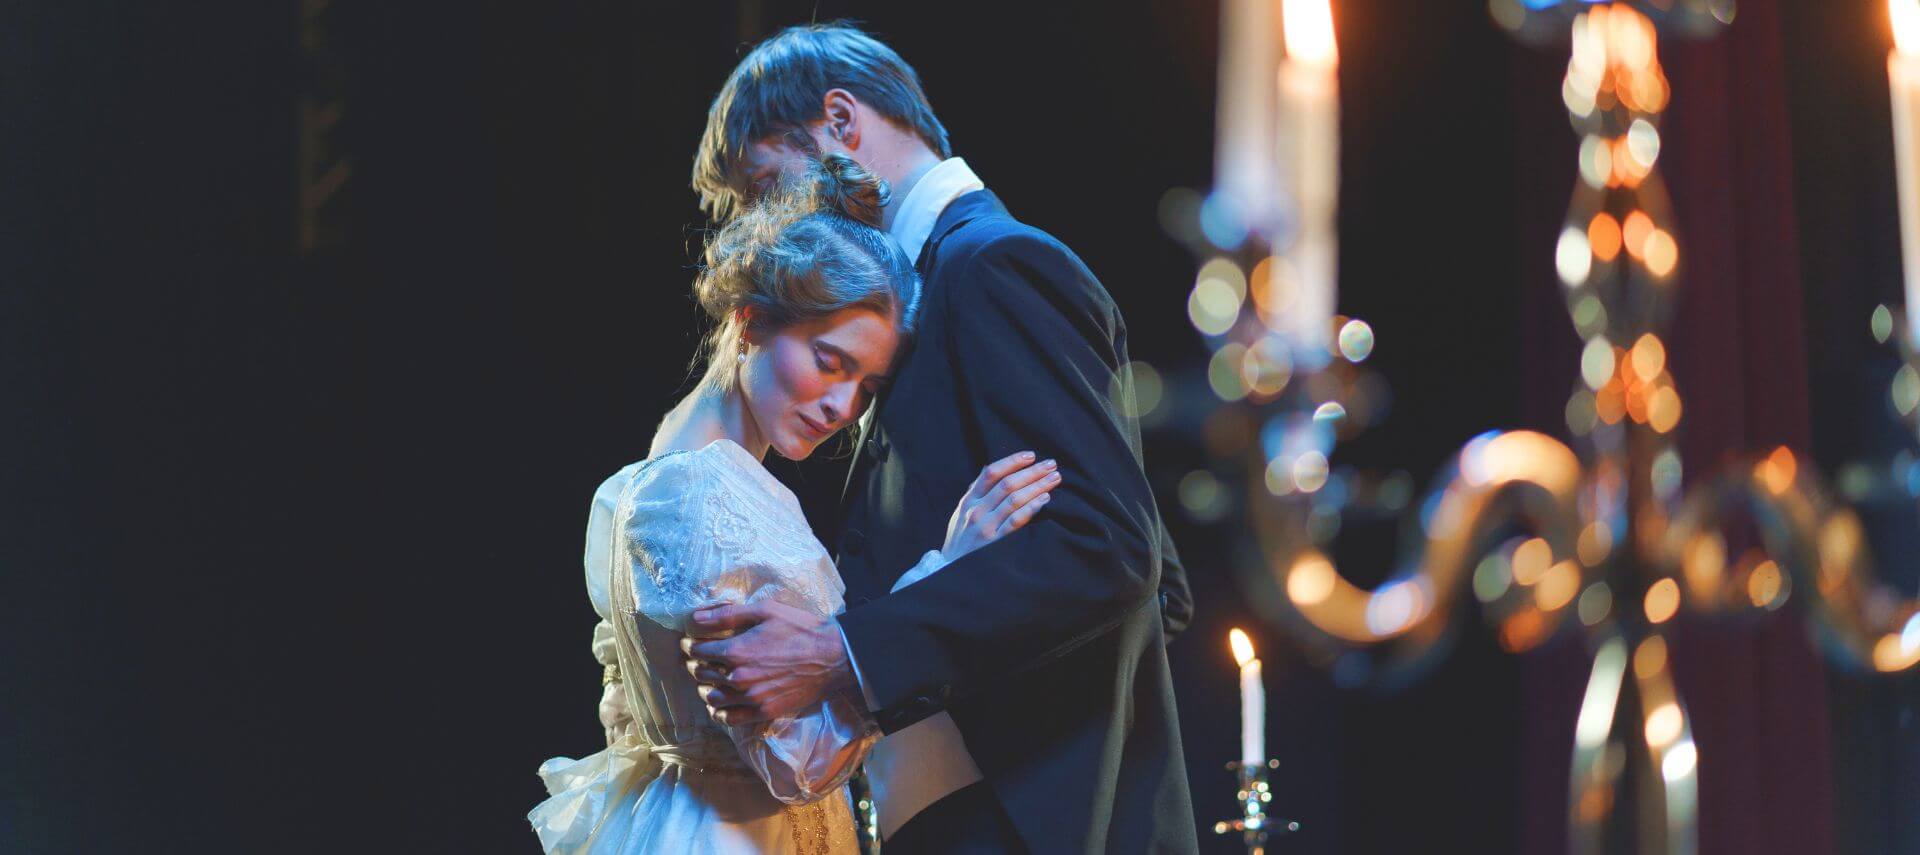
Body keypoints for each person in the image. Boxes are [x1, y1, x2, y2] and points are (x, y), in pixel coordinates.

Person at [682, 24, 1198, 854]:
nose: (774, 225)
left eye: (770, 184)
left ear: (840, 120)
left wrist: (847, 653)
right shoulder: (915, 299)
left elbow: (1116, 550)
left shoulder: (994, 266)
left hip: (1018, 821)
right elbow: (1155, 574)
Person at [528, 156, 1062, 854]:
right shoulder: (695, 493)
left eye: (867, 386)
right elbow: (798, 760)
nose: (843, 405)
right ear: (750, 323)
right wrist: (947, 571)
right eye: (829, 360)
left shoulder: (677, 474)